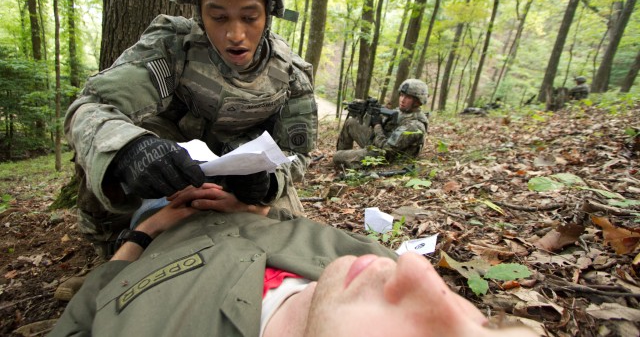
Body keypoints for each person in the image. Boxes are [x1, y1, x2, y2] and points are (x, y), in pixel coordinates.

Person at [64, 0, 317, 257]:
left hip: (245, 182)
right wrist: (130, 151)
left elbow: (296, 153)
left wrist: (270, 181)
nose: (235, 35)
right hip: (169, 172)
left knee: (292, 249)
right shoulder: (172, 49)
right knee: (103, 152)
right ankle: (112, 258)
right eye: (219, 17)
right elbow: (89, 109)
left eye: (250, 17)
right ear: (198, 9)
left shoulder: (289, 74)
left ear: (269, 12)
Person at [48, 185, 537, 337]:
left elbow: (88, 307)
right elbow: (289, 223)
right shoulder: (371, 268)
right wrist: (251, 208)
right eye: (486, 325)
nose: (416, 272)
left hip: (156, 219)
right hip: (227, 199)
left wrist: (144, 233)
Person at [333, 79, 429, 169]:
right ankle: (341, 162)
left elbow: (386, 149)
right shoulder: (402, 112)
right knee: (351, 122)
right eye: (402, 95)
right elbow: (384, 123)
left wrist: (377, 125)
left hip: (387, 158)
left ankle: (341, 161)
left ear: (417, 101)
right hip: (379, 145)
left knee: (337, 156)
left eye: (408, 97)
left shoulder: (414, 125)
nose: (402, 100)